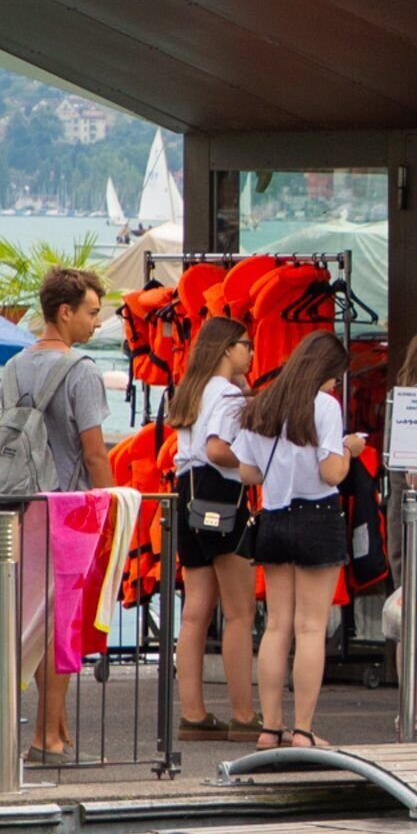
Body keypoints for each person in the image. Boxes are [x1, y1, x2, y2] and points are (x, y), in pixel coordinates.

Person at [0, 267, 116, 760]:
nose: (95, 323)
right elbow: (94, 451)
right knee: (62, 625)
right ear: (65, 312)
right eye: (90, 312)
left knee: (36, 620)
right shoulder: (81, 371)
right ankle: (45, 736)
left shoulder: (14, 367)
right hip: (70, 508)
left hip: (20, 505)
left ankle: (55, 731)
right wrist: (111, 507)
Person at [225, 339, 368, 750]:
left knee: (275, 627)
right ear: (327, 370)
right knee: (310, 628)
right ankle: (303, 730)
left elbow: (249, 473)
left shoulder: (262, 403)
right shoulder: (324, 406)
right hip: (317, 518)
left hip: (273, 519)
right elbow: (331, 473)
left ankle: (270, 728)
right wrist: (348, 448)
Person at [164, 315, 259, 741]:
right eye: (245, 344)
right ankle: (243, 714)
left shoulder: (193, 388)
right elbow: (217, 448)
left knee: (195, 610)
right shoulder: (229, 393)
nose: (252, 351)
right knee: (239, 612)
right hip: (221, 493)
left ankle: (194, 714)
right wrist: (253, 467)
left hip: (186, 492)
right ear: (226, 348)